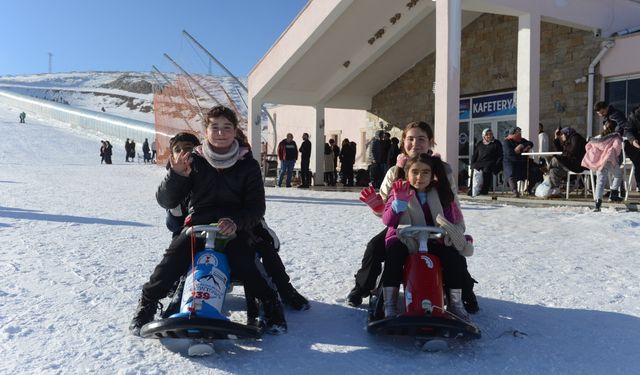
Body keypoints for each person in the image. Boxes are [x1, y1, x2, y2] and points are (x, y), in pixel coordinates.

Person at [129, 105, 287, 336]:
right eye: (215, 127)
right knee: (172, 259)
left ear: (235, 131)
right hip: (199, 227)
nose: (221, 133)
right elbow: (166, 200)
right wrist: (177, 176)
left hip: (233, 228)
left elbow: (256, 207)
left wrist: (236, 222)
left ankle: (270, 303)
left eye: (227, 127)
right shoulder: (194, 160)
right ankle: (148, 304)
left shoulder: (247, 164)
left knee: (244, 259)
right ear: (205, 131)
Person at [163, 131, 310, 310]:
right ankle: (178, 287)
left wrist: (255, 230)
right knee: (182, 247)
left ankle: (283, 289)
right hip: (200, 231)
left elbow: (254, 209)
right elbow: (174, 222)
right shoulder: (184, 177)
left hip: (238, 228)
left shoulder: (237, 170)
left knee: (261, 246)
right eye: (177, 150)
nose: (182, 154)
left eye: (187, 149)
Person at [348, 121, 478, 314]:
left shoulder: (443, 171)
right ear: (403, 142)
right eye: (410, 139)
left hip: (435, 223)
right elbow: (386, 210)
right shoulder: (395, 171)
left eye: (421, 139)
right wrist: (378, 206)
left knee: (454, 253)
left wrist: (457, 228)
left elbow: (451, 202)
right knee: (376, 247)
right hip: (404, 224)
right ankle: (363, 287)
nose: (415, 143)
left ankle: (462, 294)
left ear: (430, 142)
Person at [381, 154, 474, 322]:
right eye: (415, 172)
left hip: (433, 238)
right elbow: (388, 221)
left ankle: (455, 302)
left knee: (452, 258)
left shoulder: (441, 193)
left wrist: (453, 233)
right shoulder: (399, 191)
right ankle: (390, 303)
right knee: (394, 254)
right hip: (405, 238)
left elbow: (451, 219)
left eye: (425, 172)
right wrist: (398, 205)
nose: (419, 177)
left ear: (432, 175)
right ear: (407, 173)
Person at [595, 101, 640, 190]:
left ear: (606, 108)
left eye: (602, 112)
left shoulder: (615, 115)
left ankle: (617, 190)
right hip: (615, 144)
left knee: (615, 167)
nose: (601, 115)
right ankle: (617, 190)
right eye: (599, 113)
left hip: (619, 145)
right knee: (615, 168)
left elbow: (624, 127)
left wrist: (615, 134)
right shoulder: (609, 116)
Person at [581, 119, 624, 211]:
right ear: (615, 128)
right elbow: (617, 148)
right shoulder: (616, 137)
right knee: (618, 175)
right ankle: (614, 193)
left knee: (600, 182)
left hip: (600, 162)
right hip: (609, 160)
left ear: (605, 127)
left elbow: (588, 146)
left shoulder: (599, 138)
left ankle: (597, 203)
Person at [548, 127, 587, 197]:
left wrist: (563, 156)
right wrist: (556, 138)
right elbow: (561, 151)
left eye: (562, 134)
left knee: (554, 159)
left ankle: (547, 167)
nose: (561, 136)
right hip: (569, 164)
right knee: (553, 170)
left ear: (567, 133)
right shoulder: (568, 141)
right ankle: (555, 191)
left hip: (577, 164)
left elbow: (573, 151)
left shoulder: (575, 137)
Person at [502, 127, 534, 197]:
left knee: (535, 170)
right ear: (512, 135)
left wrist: (521, 145)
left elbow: (531, 143)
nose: (520, 136)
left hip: (521, 163)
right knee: (511, 171)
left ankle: (529, 189)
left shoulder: (521, 140)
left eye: (520, 134)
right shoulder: (506, 142)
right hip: (510, 163)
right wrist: (519, 151)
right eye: (518, 134)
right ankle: (515, 191)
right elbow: (510, 153)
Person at [470, 128, 503, 196]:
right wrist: (472, 163)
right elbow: (475, 154)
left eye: (490, 134)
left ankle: (484, 190)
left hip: (491, 162)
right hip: (480, 162)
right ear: (483, 136)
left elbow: (500, 155)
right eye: (487, 134)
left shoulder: (496, 143)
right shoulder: (480, 143)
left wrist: (497, 164)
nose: (489, 136)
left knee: (486, 169)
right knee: (475, 168)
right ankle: (473, 189)